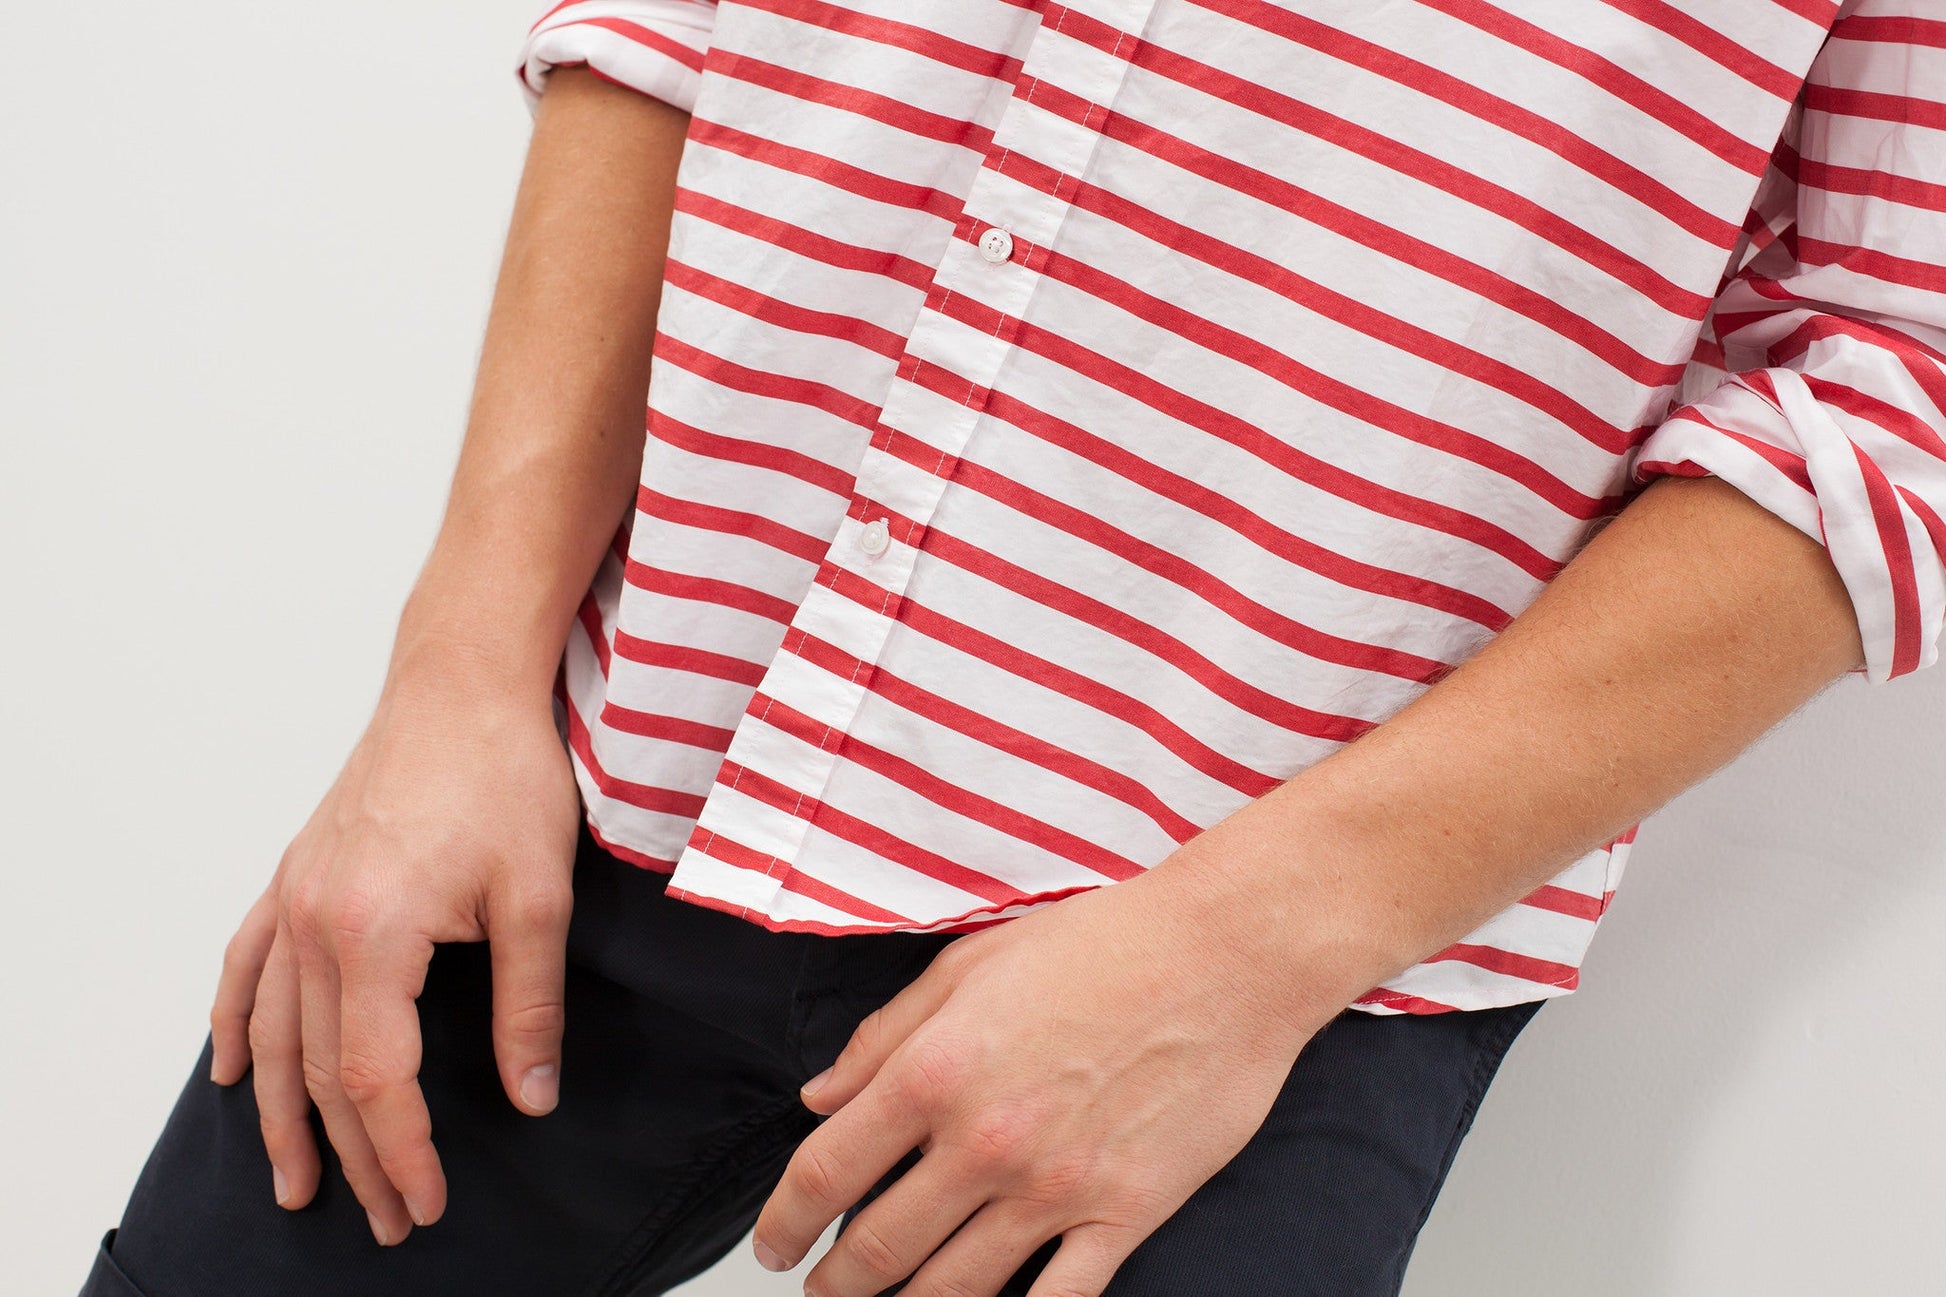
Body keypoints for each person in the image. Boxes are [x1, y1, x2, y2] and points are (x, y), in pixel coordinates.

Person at [82, 2, 1944, 1294]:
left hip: (1251, 965)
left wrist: (1247, 941)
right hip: (599, 770)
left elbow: (1899, 370)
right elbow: (675, 19)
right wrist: (454, 676)